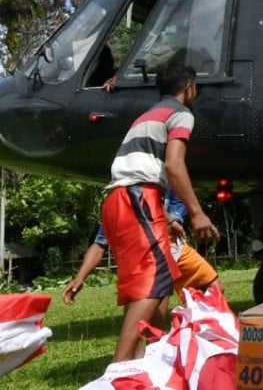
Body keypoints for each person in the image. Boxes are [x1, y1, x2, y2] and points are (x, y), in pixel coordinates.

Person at [100, 61, 219, 362]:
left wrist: (165, 218)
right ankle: (120, 365)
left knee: (152, 279)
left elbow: (135, 169)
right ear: (189, 87)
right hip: (139, 197)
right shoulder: (181, 113)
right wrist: (196, 213)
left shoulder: (146, 116)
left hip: (119, 199)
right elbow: (173, 165)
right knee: (156, 278)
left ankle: (149, 357)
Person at [62, 189, 220, 310]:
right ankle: (145, 349)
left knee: (215, 290)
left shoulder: (164, 179)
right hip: (145, 263)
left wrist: (174, 221)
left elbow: (178, 203)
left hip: (174, 249)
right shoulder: (120, 201)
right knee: (152, 318)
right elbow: (100, 244)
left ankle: (207, 336)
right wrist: (80, 277)